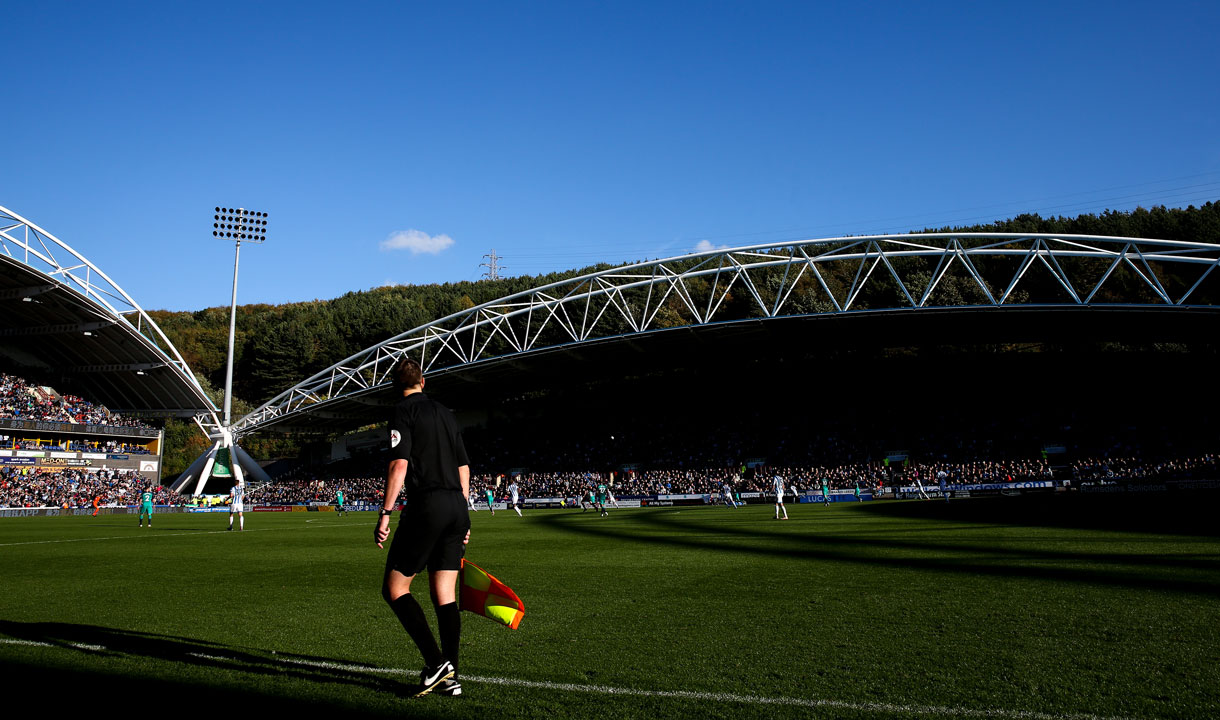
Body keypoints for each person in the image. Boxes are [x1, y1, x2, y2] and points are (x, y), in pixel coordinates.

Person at [375, 357, 471, 699]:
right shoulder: (446, 412)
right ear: (423, 381)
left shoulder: (403, 411)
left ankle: (436, 662)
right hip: (457, 506)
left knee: (395, 589)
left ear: (394, 387)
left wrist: (385, 512)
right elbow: (463, 466)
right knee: (444, 594)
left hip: (427, 505)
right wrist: (465, 515)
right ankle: (452, 676)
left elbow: (399, 464)